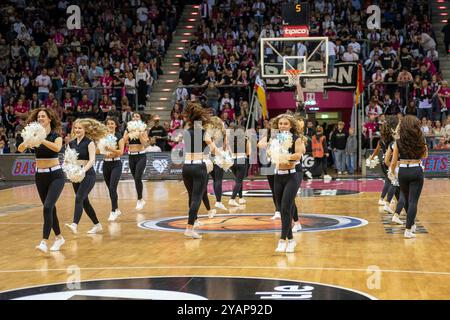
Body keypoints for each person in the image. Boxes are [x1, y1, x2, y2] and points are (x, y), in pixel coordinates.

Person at [17, 108, 65, 253]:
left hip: (56, 175)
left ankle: (44, 241)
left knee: (47, 207)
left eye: (43, 116)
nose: (41, 118)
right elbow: (20, 149)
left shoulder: (55, 135)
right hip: (40, 176)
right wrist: (29, 140)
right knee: (50, 208)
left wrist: (41, 139)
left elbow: (57, 148)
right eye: (39, 116)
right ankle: (59, 238)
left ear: (50, 119)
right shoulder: (34, 135)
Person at [270, 114, 306, 253]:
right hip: (278, 176)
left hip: (292, 176)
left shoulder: (297, 139)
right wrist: (271, 154)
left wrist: (285, 157)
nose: (282, 126)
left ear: (291, 125)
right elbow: (269, 153)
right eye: (280, 124)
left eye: (285, 123)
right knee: (282, 208)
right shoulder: (275, 139)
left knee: (285, 208)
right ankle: (291, 241)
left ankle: (282, 240)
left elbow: (298, 155)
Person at [181, 102, 218, 239]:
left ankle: (194, 221)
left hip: (186, 167)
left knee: (191, 196)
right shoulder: (203, 133)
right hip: (198, 167)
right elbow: (213, 149)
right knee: (197, 198)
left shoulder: (186, 131)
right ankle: (189, 228)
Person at [65, 118, 108, 235]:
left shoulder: (89, 143)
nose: (77, 130)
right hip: (75, 174)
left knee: (79, 197)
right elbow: (68, 159)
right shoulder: (71, 143)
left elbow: (92, 160)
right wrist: (69, 167)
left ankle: (74, 224)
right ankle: (97, 224)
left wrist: (83, 170)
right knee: (84, 202)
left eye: (80, 128)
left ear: (84, 130)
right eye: (76, 128)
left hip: (88, 174)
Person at [390, 115, 428, 238]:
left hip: (402, 172)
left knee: (406, 200)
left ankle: (411, 225)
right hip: (416, 170)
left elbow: (393, 161)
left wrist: (392, 173)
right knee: (413, 201)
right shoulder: (420, 139)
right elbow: (425, 155)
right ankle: (408, 229)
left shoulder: (398, 141)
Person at [123, 112, 149, 210]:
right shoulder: (128, 128)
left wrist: (139, 133)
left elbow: (144, 143)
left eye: (137, 116)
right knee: (135, 179)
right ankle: (141, 199)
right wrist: (130, 132)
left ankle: (139, 199)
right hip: (131, 156)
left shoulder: (144, 129)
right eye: (134, 116)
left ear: (140, 119)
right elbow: (124, 140)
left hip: (141, 155)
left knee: (138, 177)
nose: (135, 117)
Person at [102, 117, 125, 222]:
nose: (110, 125)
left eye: (112, 123)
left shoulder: (119, 136)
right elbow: (99, 150)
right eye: (108, 124)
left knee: (112, 187)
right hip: (106, 164)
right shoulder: (103, 136)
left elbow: (121, 152)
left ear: (116, 125)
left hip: (116, 164)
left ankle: (113, 211)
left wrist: (110, 149)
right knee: (111, 189)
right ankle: (117, 208)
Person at [228, 126, 251, 207]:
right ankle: (232, 199)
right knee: (238, 181)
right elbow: (248, 153)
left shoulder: (230, 140)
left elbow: (229, 152)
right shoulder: (246, 140)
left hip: (232, 161)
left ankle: (241, 198)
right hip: (242, 160)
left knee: (238, 180)